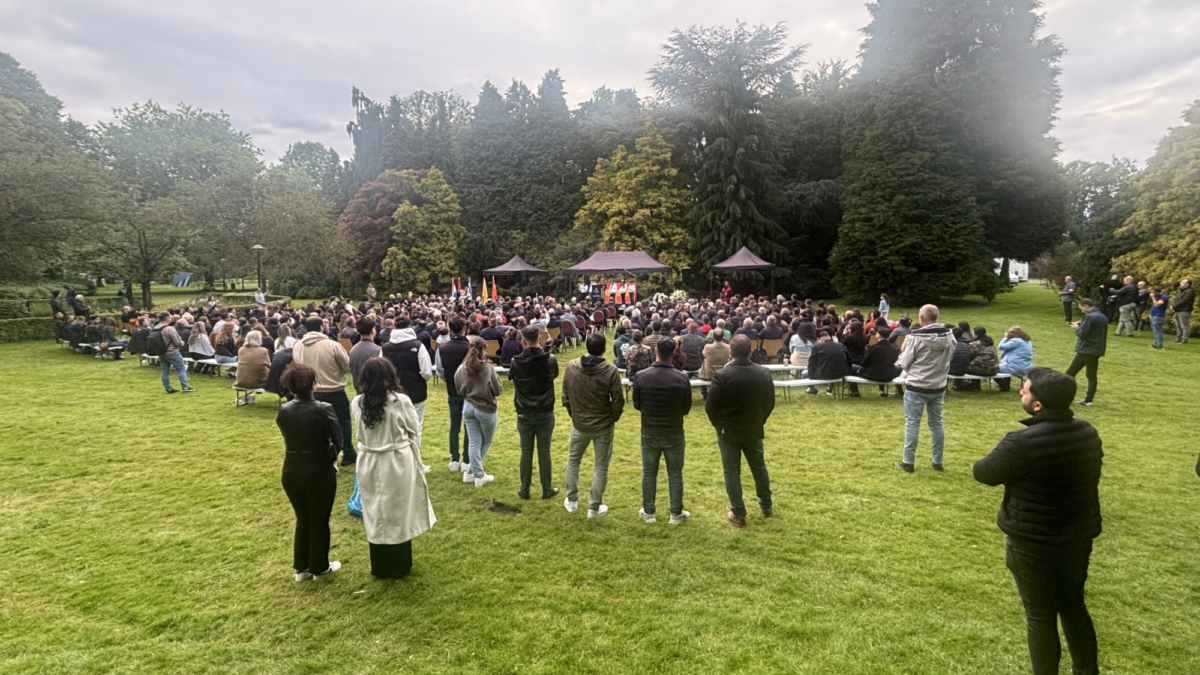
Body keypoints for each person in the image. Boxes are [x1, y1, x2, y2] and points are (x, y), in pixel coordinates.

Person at [973, 367, 1102, 675]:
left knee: (1041, 614)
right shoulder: (1087, 432)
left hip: (1033, 541)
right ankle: (1087, 670)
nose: (1021, 392)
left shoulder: (1022, 442)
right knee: (1073, 605)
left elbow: (984, 472)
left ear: (1038, 404)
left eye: (1026, 390)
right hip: (1077, 535)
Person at [351, 358, 436, 579]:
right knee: (391, 508)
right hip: (395, 461)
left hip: (372, 460)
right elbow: (413, 428)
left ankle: (388, 563)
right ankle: (395, 563)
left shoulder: (358, 402)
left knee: (381, 508)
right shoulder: (400, 402)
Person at [276, 363, 343, 582]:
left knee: (303, 518)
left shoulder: (284, 410)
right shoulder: (323, 409)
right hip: (318, 469)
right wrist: (332, 456)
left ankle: (302, 567)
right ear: (314, 384)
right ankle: (320, 568)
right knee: (319, 519)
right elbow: (338, 439)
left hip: (292, 469)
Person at [705, 335, 775, 528]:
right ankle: (766, 505)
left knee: (732, 471)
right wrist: (758, 421)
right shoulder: (762, 373)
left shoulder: (723, 376)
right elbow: (769, 403)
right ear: (750, 351)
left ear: (731, 352)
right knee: (758, 466)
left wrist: (719, 425)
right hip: (748, 428)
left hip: (730, 430)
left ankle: (739, 511)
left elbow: (711, 407)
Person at [561, 331, 624, 518]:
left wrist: (611, 417)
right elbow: (618, 401)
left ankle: (573, 501)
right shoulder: (575, 367)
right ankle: (592, 506)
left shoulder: (575, 367)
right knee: (600, 466)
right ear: (604, 349)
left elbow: (565, 397)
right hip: (595, 423)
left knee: (574, 461)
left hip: (589, 423)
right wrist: (611, 417)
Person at [633, 339, 692, 525]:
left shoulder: (641, 376)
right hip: (673, 431)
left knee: (649, 472)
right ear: (674, 353)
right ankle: (675, 513)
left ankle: (649, 512)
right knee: (675, 473)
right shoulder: (681, 378)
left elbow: (637, 404)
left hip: (650, 430)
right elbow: (685, 407)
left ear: (655, 351)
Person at [894, 304, 955, 473]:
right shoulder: (950, 336)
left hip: (917, 386)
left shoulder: (916, 338)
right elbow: (950, 355)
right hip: (938, 385)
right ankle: (937, 461)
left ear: (921, 318)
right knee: (937, 424)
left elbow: (904, 363)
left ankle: (908, 462)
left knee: (912, 423)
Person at [293, 315, 355, 465]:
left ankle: (320, 453)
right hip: (333, 389)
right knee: (344, 422)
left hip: (310, 392)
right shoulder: (332, 345)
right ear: (321, 326)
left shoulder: (298, 346)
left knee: (316, 425)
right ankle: (347, 452)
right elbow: (347, 366)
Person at [509, 325, 560, 500]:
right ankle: (546, 488)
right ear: (539, 338)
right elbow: (553, 376)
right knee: (544, 451)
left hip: (525, 411)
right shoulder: (550, 360)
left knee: (526, 451)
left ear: (523, 341)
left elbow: (512, 377)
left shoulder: (516, 362)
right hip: (544, 411)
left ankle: (525, 488)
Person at [455, 337, 502, 487]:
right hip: (485, 408)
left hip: (468, 406)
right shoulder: (487, 369)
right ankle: (478, 474)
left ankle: (470, 472)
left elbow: (458, 386)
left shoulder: (462, 367)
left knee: (474, 442)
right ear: (483, 349)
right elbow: (497, 389)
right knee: (485, 441)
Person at [380, 316, 433, 454]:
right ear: (410, 326)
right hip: (415, 392)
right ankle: (414, 462)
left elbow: (380, 370)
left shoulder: (385, 348)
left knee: (394, 427)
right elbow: (426, 371)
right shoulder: (418, 346)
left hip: (393, 393)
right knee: (416, 427)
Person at [436, 317, 473, 474]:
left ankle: (454, 459)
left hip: (452, 389)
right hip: (469, 391)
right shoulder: (471, 348)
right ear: (464, 329)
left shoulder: (442, 348)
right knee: (469, 427)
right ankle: (465, 460)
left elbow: (440, 371)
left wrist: (451, 380)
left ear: (450, 330)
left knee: (454, 426)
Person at [1065, 299, 1108, 407]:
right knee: (1091, 375)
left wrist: (1077, 328)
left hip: (1086, 350)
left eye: (1082, 309)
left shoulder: (1089, 317)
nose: (1082, 311)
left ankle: (1066, 397)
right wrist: (1083, 324)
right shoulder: (1102, 316)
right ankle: (1089, 399)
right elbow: (1094, 329)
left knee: (1069, 374)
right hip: (1097, 350)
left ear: (1086, 306)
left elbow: (1082, 334)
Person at [155, 312, 195, 394]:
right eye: (170, 317)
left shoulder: (156, 327)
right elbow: (178, 343)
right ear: (167, 318)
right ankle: (185, 387)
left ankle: (168, 388)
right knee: (181, 369)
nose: (171, 318)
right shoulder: (169, 329)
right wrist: (182, 342)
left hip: (161, 352)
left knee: (165, 371)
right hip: (172, 352)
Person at [803, 329, 850, 395]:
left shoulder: (817, 347)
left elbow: (811, 363)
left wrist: (811, 376)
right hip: (840, 374)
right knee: (831, 368)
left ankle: (812, 389)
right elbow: (848, 360)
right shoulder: (841, 346)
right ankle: (830, 388)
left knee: (804, 373)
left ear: (821, 340)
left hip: (823, 374)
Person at [860, 325, 901, 397]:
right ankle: (899, 391)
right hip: (889, 375)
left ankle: (854, 391)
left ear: (878, 335)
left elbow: (864, 363)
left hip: (873, 375)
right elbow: (894, 360)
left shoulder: (873, 348)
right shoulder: (894, 349)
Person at [348, 317, 381, 392]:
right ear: (372, 330)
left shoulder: (353, 350)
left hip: (359, 390)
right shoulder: (378, 350)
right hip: (374, 392)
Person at [996, 326, 1034, 391]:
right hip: (1026, 367)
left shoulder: (1016, 341)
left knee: (991, 368)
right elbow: (1005, 352)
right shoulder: (1027, 341)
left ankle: (1003, 385)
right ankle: (1006, 385)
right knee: (1005, 365)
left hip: (1014, 367)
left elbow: (1001, 346)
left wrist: (1005, 337)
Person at [698, 328, 730, 399]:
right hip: (723, 374)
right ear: (723, 337)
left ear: (713, 337)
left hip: (709, 374)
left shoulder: (707, 347)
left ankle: (705, 394)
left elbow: (703, 355)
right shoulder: (728, 347)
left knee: (703, 365)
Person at [1172, 278, 1193, 344]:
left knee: (1184, 326)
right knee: (1178, 326)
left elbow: (1183, 301)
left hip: (1184, 310)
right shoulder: (1181, 291)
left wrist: (1174, 306)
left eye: (1183, 282)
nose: (1181, 283)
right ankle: (1178, 339)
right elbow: (1176, 299)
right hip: (1178, 310)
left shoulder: (1189, 291)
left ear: (1187, 284)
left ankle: (1184, 340)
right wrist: (1172, 305)